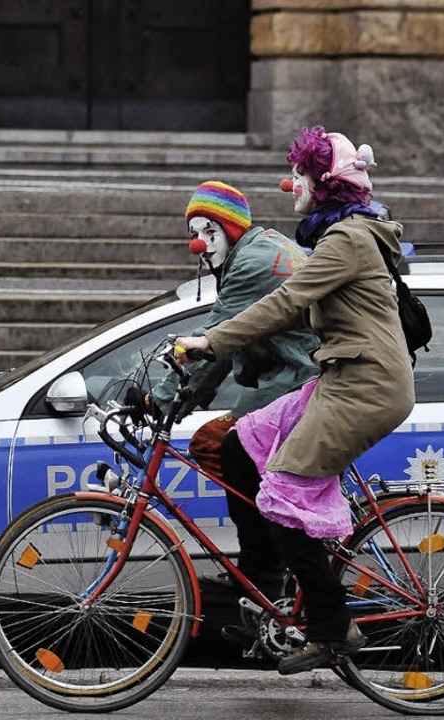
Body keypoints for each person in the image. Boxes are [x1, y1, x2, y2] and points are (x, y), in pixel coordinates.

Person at [176, 128, 416, 675]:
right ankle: (263, 584)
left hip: (366, 386)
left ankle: (333, 629)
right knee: (240, 442)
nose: (292, 187)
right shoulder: (337, 237)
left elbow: (287, 301)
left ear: (325, 183)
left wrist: (210, 341)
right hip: (342, 377)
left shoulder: (348, 240)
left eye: (301, 177)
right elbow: (293, 313)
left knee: (281, 492)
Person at [149, 180, 320, 598]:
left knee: (221, 445)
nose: (201, 245)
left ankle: (266, 573)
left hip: (298, 382)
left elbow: (217, 336)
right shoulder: (256, 250)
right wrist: (184, 398)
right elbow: (230, 340)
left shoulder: (254, 264)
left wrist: (164, 397)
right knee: (225, 449)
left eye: (209, 232)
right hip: (289, 379)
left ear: (232, 228)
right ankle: (269, 567)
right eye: (194, 235)